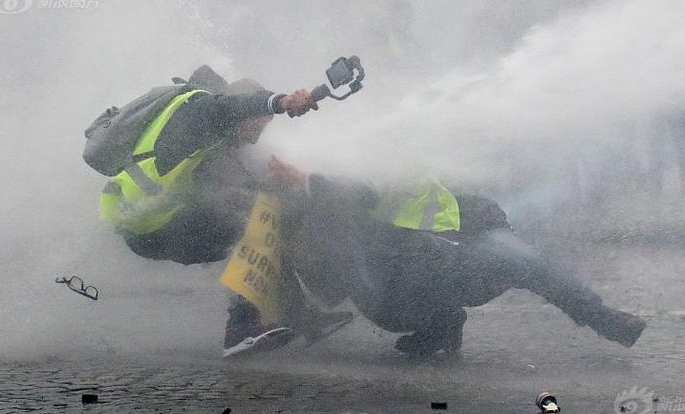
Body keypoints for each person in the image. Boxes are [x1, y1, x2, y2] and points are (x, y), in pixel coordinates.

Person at [95, 65, 349, 356]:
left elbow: (219, 188)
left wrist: (276, 183)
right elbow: (232, 108)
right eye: (257, 125)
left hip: (149, 219)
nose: (256, 136)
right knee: (250, 218)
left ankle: (298, 315)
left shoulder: (204, 132)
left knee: (263, 210)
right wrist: (282, 102)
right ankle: (241, 328)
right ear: (240, 113)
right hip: (149, 224)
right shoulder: (203, 110)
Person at [270, 167, 647, 358]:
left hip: (456, 248)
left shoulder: (376, 165)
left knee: (520, 259)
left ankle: (605, 319)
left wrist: (307, 178)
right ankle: (444, 324)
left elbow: (364, 189)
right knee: (388, 305)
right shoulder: (343, 205)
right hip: (412, 272)